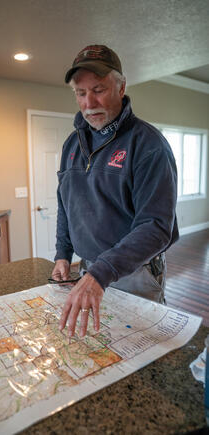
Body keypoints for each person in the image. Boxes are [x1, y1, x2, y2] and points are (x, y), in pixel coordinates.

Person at [51, 44, 179, 338]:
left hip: (136, 275)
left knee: (141, 355)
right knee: (99, 353)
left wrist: (101, 273)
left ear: (121, 88)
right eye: (80, 93)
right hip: (89, 270)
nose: (89, 103)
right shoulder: (72, 144)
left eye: (98, 89)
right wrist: (62, 253)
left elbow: (156, 227)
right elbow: (66, 203)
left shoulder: (149, 146)